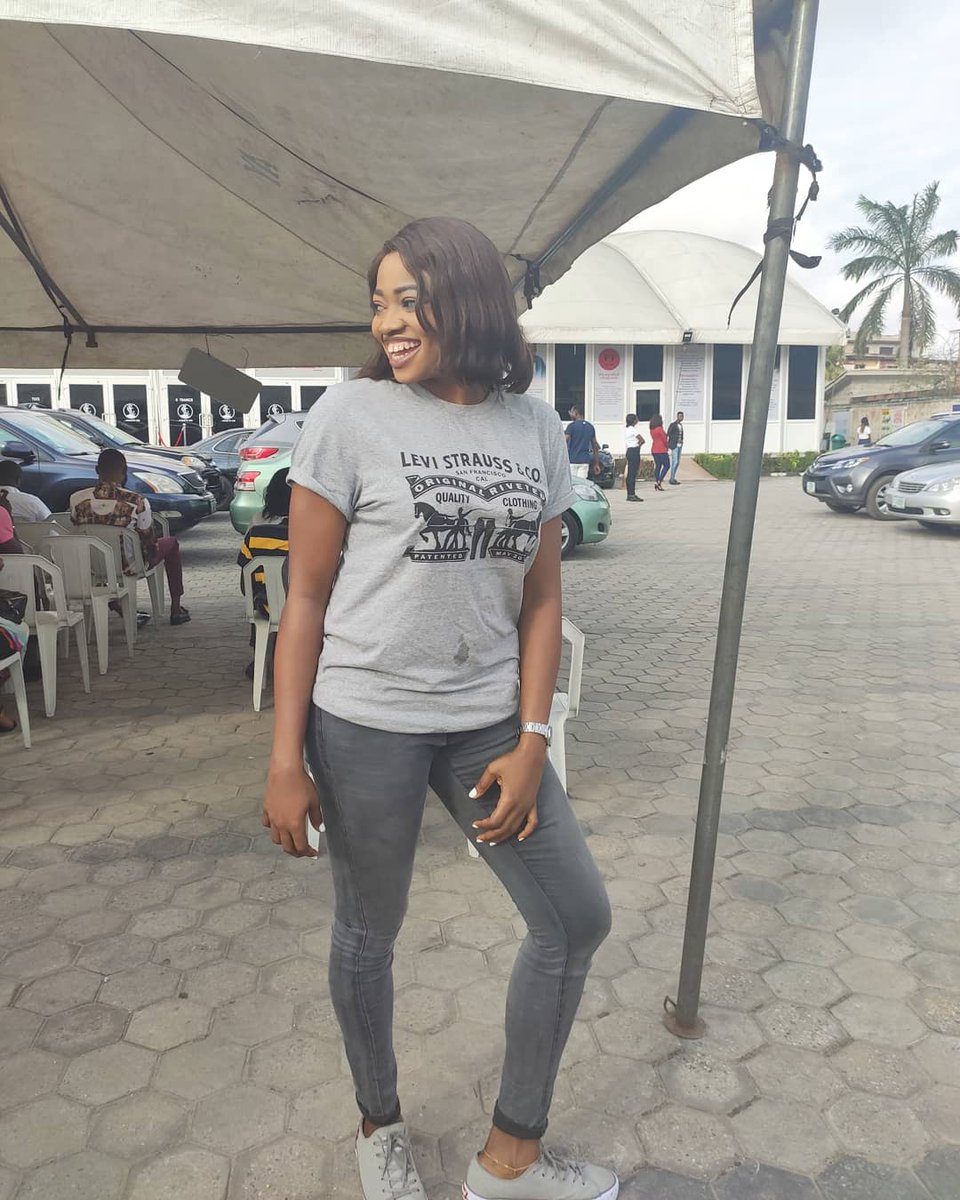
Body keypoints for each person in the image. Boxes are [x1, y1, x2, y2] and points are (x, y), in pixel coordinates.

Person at [262, 217, 615, 1200]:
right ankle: (379, 1123)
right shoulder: (349, 416)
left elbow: (542, 598)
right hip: (363, 721)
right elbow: (304, 599)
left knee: (574, 919)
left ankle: (510, 1161)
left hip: (488, 723)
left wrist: (534, 736)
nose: (387, 322)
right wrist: (286, 758)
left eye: (407, 300)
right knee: (369, 931)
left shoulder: (532, 427)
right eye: (377, 303)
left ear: (465, 298)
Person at [69, 449, 191, 625]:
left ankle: (119, 606)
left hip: (93, 566)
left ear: (97, 470)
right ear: (125, 470)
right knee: (171, 544)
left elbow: (76, 529)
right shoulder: (137, 501)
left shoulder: (76, 499)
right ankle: (176, 608)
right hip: (129, 565)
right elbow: (149, 542)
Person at [238, 468, 291, 677]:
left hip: (268, 605)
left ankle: (259, 656)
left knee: (258, 591)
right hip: (307, 607)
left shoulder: (257, 524)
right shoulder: (313, 528)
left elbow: (245, 575)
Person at [564, 404, 601, 479]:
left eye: (572, 412)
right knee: (582, 482)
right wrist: (596, 463)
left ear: (576, 412)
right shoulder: (590, 427)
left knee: (572, 483)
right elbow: (595, 446)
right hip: (584, 461)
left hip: (572, 460)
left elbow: (563, 442)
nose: (570, 414)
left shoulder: (571, 426)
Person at [623, 413, 645, 502]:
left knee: (630, 474)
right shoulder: (633, 430)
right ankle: (632, 494)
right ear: (633, 421)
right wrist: (638, 446)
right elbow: (642, 440)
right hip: (634, 451)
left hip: (629, 451)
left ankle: (630, 493)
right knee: (633, 474)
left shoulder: (627, 429)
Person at [649, 415, 670, 491]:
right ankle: (659, 481)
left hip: (654, 449)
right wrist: (667, 447)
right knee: (667, 465)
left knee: (658, 465)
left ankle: (657, 480)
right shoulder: (660, 429)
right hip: (661, 449)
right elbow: (664, 439)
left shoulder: (652, 429)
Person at [667, 410, 684, 485]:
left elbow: (681, 434)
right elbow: (668, 433)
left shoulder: (681, 425)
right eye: (680, 416)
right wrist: (671, 443)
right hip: (674, 445)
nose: (681, 417)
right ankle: (671, 479)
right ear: (677, 416)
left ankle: (673, 477)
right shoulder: (673, 425)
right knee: (675, 461)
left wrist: (682, 440)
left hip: (680, 445)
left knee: (678, 462)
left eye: (682, 416)